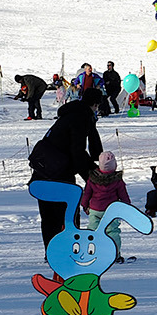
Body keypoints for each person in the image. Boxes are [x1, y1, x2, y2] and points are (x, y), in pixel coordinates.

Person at [29, 97, 104, 243]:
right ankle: (70, 249)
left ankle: (51, 251)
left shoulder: (67, 116)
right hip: (59, 175)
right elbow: (77, 152)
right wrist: (93, 178)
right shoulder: (80, 118)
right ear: (94, 105)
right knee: (68, 216)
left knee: (48, 218)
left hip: (41, 173)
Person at [80, 151, 134, 260]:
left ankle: (91, 252)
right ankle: (114, 255)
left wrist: (84, 205)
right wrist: (127, 207)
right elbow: (123, 196)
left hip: (95, 210)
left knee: (93, 231)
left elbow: (87, 194)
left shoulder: (92, 179)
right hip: (111, 211)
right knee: (112, 232)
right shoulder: (117, 181)